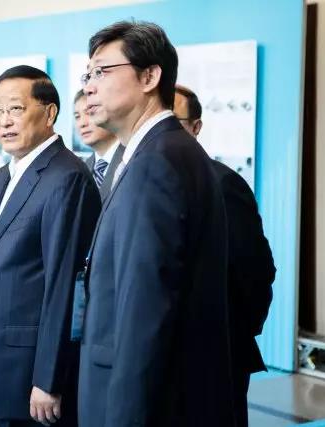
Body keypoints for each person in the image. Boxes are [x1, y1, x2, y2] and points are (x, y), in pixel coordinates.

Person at [77, 21, 234, 426]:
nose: (90, 87)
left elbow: (144, 309)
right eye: (87, 75)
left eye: (102, 72)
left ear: (149, 77)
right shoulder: (164, 151)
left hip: (147, 401)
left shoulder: (156, 162)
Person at [0, 65, 100, 427]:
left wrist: (48, 378)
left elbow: (64, 286)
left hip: (31, 375)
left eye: (16, 108)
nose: (4, 121)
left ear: (49, 113)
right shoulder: (4, 175)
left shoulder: (66, 177)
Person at [175, 84, 276, 427]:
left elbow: (255, 269)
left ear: (196, 127)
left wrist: (234, 332)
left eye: (175, 122)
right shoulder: (143, 179)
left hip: (215, 352)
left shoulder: (221, 184)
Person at [73, 90, 123, 201]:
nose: (82, 123)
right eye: (77, 117)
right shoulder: (81, 169)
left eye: (89, 112)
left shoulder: (131, 158)